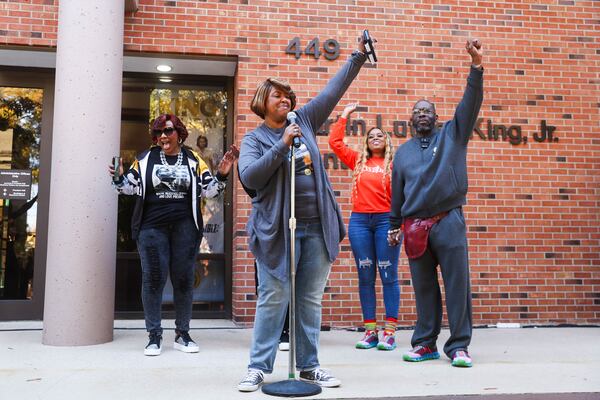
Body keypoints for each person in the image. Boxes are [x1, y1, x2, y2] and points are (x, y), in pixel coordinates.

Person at [237, 35, 369, 392]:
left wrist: (356, 58)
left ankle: (309, 366)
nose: (285, 100)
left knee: (309, 298)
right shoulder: (255, 140)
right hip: (278, 230)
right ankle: (258, 368)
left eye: (288, 96)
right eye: (277, 95)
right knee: (274, 297)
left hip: (315, 225)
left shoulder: (305, 120)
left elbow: (332, 91)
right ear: (262, 102)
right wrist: (281, 146)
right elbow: (250, 176)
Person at [387, 39, 484, 368]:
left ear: (437, 117)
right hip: (414, 227)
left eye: (427, 110)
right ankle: (425, 343)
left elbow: (470, 103)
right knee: (424, 289)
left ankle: (459, 346)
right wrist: (393, 226)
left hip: (449, 221)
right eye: (417, 111)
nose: (422, 114)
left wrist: (476, 67)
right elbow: (396, 194)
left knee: (458, 286)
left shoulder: (453, 135)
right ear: (410, 119)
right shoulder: (402, 153)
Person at [109, 114, 238, 356]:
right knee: (153, 279)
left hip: (185, 228)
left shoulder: (192, 159)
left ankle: (182, 333)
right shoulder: (145, 159)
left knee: (183, 279)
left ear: (179, 133)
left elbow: (210, 191)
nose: (163, 136)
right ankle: (154, 336)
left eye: (168, 131)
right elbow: (127, 188)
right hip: (151, 228)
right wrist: (118, 176)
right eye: (158, 133)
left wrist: (222, 173)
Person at [328, 103, 400, 350]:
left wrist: (398, 223)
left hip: (386, 222)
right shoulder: (357, 160)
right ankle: (370, 332)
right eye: (371, 136)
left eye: (380, 135)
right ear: (366, 142)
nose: (376, 137)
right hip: (359, 222)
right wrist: (345, 116)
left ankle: (389, 332)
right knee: (365, 276)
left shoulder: (394, 165)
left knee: (388, 275)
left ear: (387, 141)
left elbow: (403, 196)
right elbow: (335, 144)